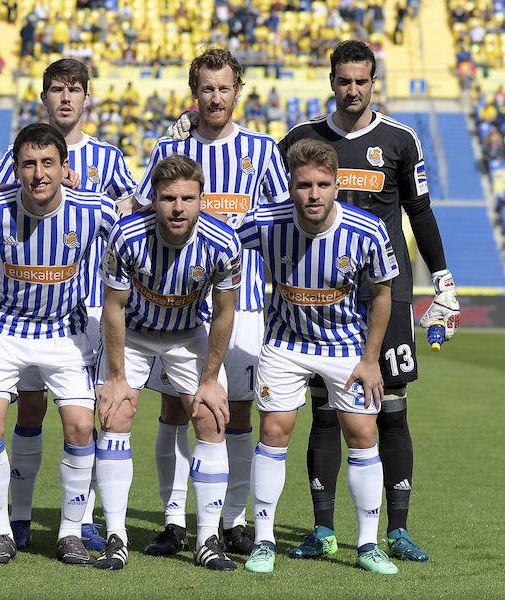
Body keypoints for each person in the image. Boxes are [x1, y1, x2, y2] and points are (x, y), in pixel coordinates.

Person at [278, 40, 459, 563]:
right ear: (331, 80)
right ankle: (322, 529)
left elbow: (420, 212)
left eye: (361, 80)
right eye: (343, 80)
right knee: (328, 413)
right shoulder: (301, 138)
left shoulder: (400, 140)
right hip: (322, 296)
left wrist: (442, 279)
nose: (352, 90)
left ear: (373, 81)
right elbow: (262, 199)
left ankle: (397, 530)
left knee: (393, 410)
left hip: (388, 292)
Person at [137, 48, 289, 559]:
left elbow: (281, 219)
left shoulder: (263, 151)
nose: (216, 97)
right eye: (207, 88)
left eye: (224, 88)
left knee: (236, 413)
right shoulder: (170, 149)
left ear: (237, 91)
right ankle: (174, 518)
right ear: (193, 92)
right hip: (177, 307)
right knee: (177, 410)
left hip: (241, 304)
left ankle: (233, 520)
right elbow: (140, 207)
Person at [0, 57, 136, 552]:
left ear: (87, 98)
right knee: (28, 409)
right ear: (44, 97)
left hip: (86, 308)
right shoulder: (19, 158)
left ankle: (84, 519)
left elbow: (130, 214)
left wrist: (92, 196)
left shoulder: (109, 158)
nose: (66, 98)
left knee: (86, 416)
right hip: (20, 308)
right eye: (57, 89)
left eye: (75, 89)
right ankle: (21, 516)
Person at [237, 138, 399, 575]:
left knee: (363, 435)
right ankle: (264, 540)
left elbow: (383, 295)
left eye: (323, 184)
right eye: (304, 184)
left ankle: (368, 543)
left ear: (336, 185)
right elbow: (214, 237)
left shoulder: (366, 230)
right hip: (285, 342)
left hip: (347, 345)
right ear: (290, 184)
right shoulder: (266, 221)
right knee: (274, 431)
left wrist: (370, 360)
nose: (313, 194)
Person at [0, 122, 117, 566]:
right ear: (16, 169)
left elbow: (134, 234)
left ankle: (69, 534)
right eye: (28, 164)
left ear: (64, 167)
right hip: (2, 329)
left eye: (48, 163)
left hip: (63, 332)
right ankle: (1, 533)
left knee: (81, 427)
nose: (38, 173)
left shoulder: (92, 210)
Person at [95, 155, 241, 572]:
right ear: (154, 199)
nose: (178, 207)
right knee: (116, 413)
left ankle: (207, 538)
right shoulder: (126, 236)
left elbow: (225, 312)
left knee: (212, 417)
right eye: (169, 198)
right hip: (136, 333)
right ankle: (116, 536)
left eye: (188, 198)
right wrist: (118, 378)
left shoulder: (223, 242)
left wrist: (211, 379)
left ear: (201, 199)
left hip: (187, 334)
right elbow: (114, 307)